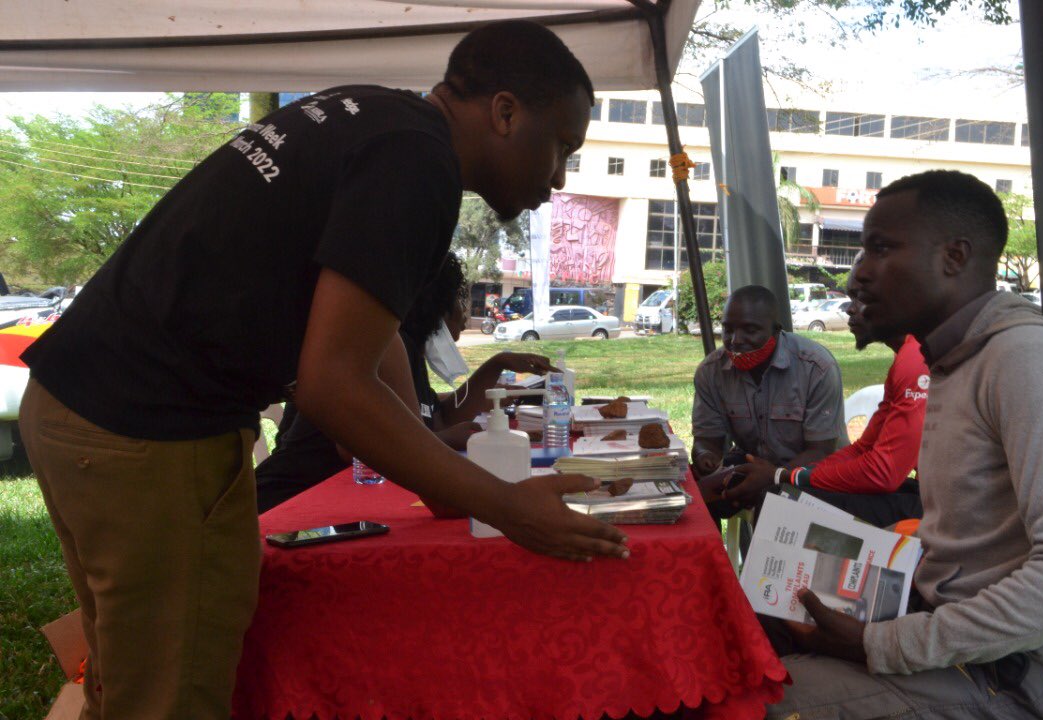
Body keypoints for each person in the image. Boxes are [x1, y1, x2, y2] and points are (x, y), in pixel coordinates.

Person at [18, 20, 628, 719]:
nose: (557, 179)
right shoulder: (418, 166)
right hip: (147, 432)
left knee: (126, 685)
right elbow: (333, 387)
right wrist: (508, 507)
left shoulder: (376, 119)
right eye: (561, 149)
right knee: (167, 697)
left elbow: (373, 360)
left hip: (75, 406)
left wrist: (450, 490)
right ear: (506, 112)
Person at [767, 170, 1043, 719]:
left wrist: (879, 645)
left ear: (954, 257)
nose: (857, 275)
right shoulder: (954, 359)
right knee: (751, 625)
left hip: (1026, 676)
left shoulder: (1027, 360)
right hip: (950, 632)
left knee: (758, 703)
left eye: (880, 249)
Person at [256, 254, 558, 513]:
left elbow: (438, 417)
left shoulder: (409, 348)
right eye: (459, 297)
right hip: (287, 506)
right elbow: (368, 450)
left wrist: (497, 364)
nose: (464, 312)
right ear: (435, 301)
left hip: (332, 507)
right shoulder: (383, 346)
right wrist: (448, 442)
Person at [724, 255, 927, 528]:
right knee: (784, 494)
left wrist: (784, 477)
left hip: (949, 513)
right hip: (930, 497)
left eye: (859, 298)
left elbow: (884, 473)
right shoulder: (906, 358)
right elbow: (863, 450)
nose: (849, 309)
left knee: (782, 500)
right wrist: (786, 474)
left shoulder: (916, 362)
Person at [691, 285, 847, 515]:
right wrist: (706, 456)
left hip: (813, 476)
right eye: (727, 329)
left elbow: (821, 451)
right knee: (696, 501)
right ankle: (710, 550)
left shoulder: (816, 367)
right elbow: (707, 438)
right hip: (752, 465)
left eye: (750, 330)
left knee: (771, 503)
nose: (735, 340)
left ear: (776, 330)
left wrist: (771, 478)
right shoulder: (711, 371)